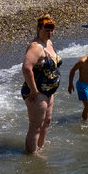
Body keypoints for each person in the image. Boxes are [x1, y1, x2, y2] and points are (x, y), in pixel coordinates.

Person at [21, 14, 61, 154]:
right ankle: (31, 156)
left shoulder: (49, 43)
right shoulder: (36, 47)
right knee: (35, 127)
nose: (49, 33)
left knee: (46, 123)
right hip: (37, 92)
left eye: (51, 30)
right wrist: (34, 91)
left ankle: (40, 148)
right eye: (46, 30)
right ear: (38, 29)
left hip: (49, 91)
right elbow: (26, 68)